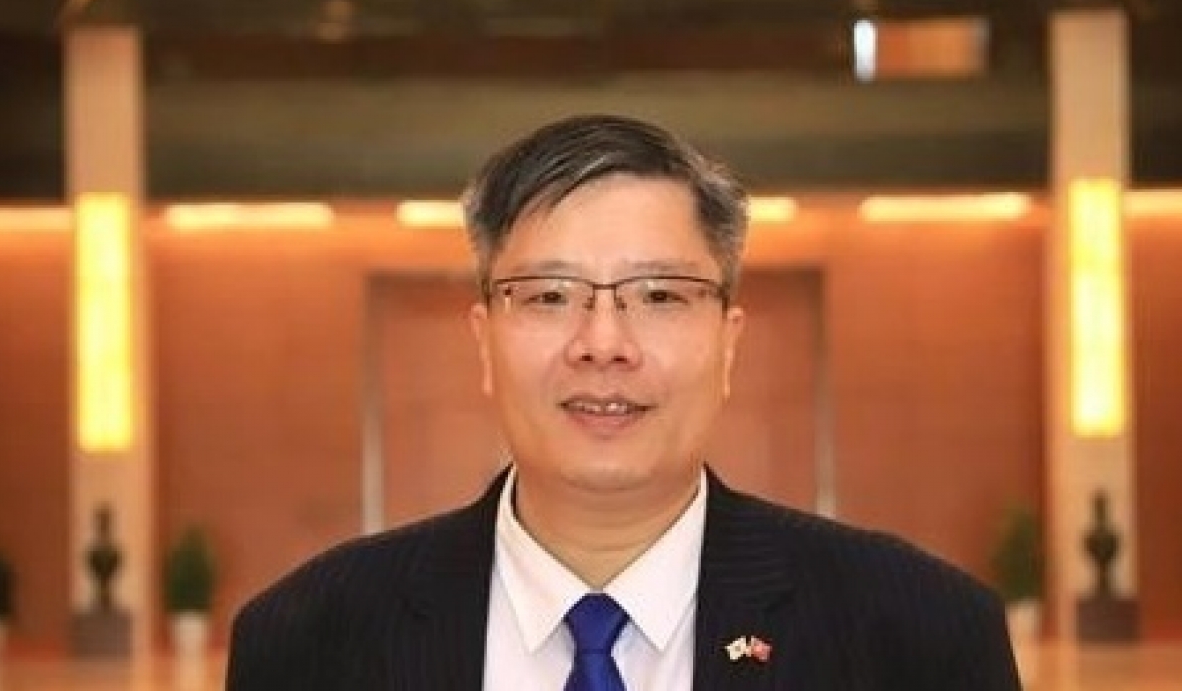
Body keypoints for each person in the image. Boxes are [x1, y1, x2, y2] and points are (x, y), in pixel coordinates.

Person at [226, 114, 1021, 690]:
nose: (603, 342)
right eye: (549, 295)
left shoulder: (918, 636)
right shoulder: (307, 641)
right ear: (484, 341)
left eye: (659, 294)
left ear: (728, 343)